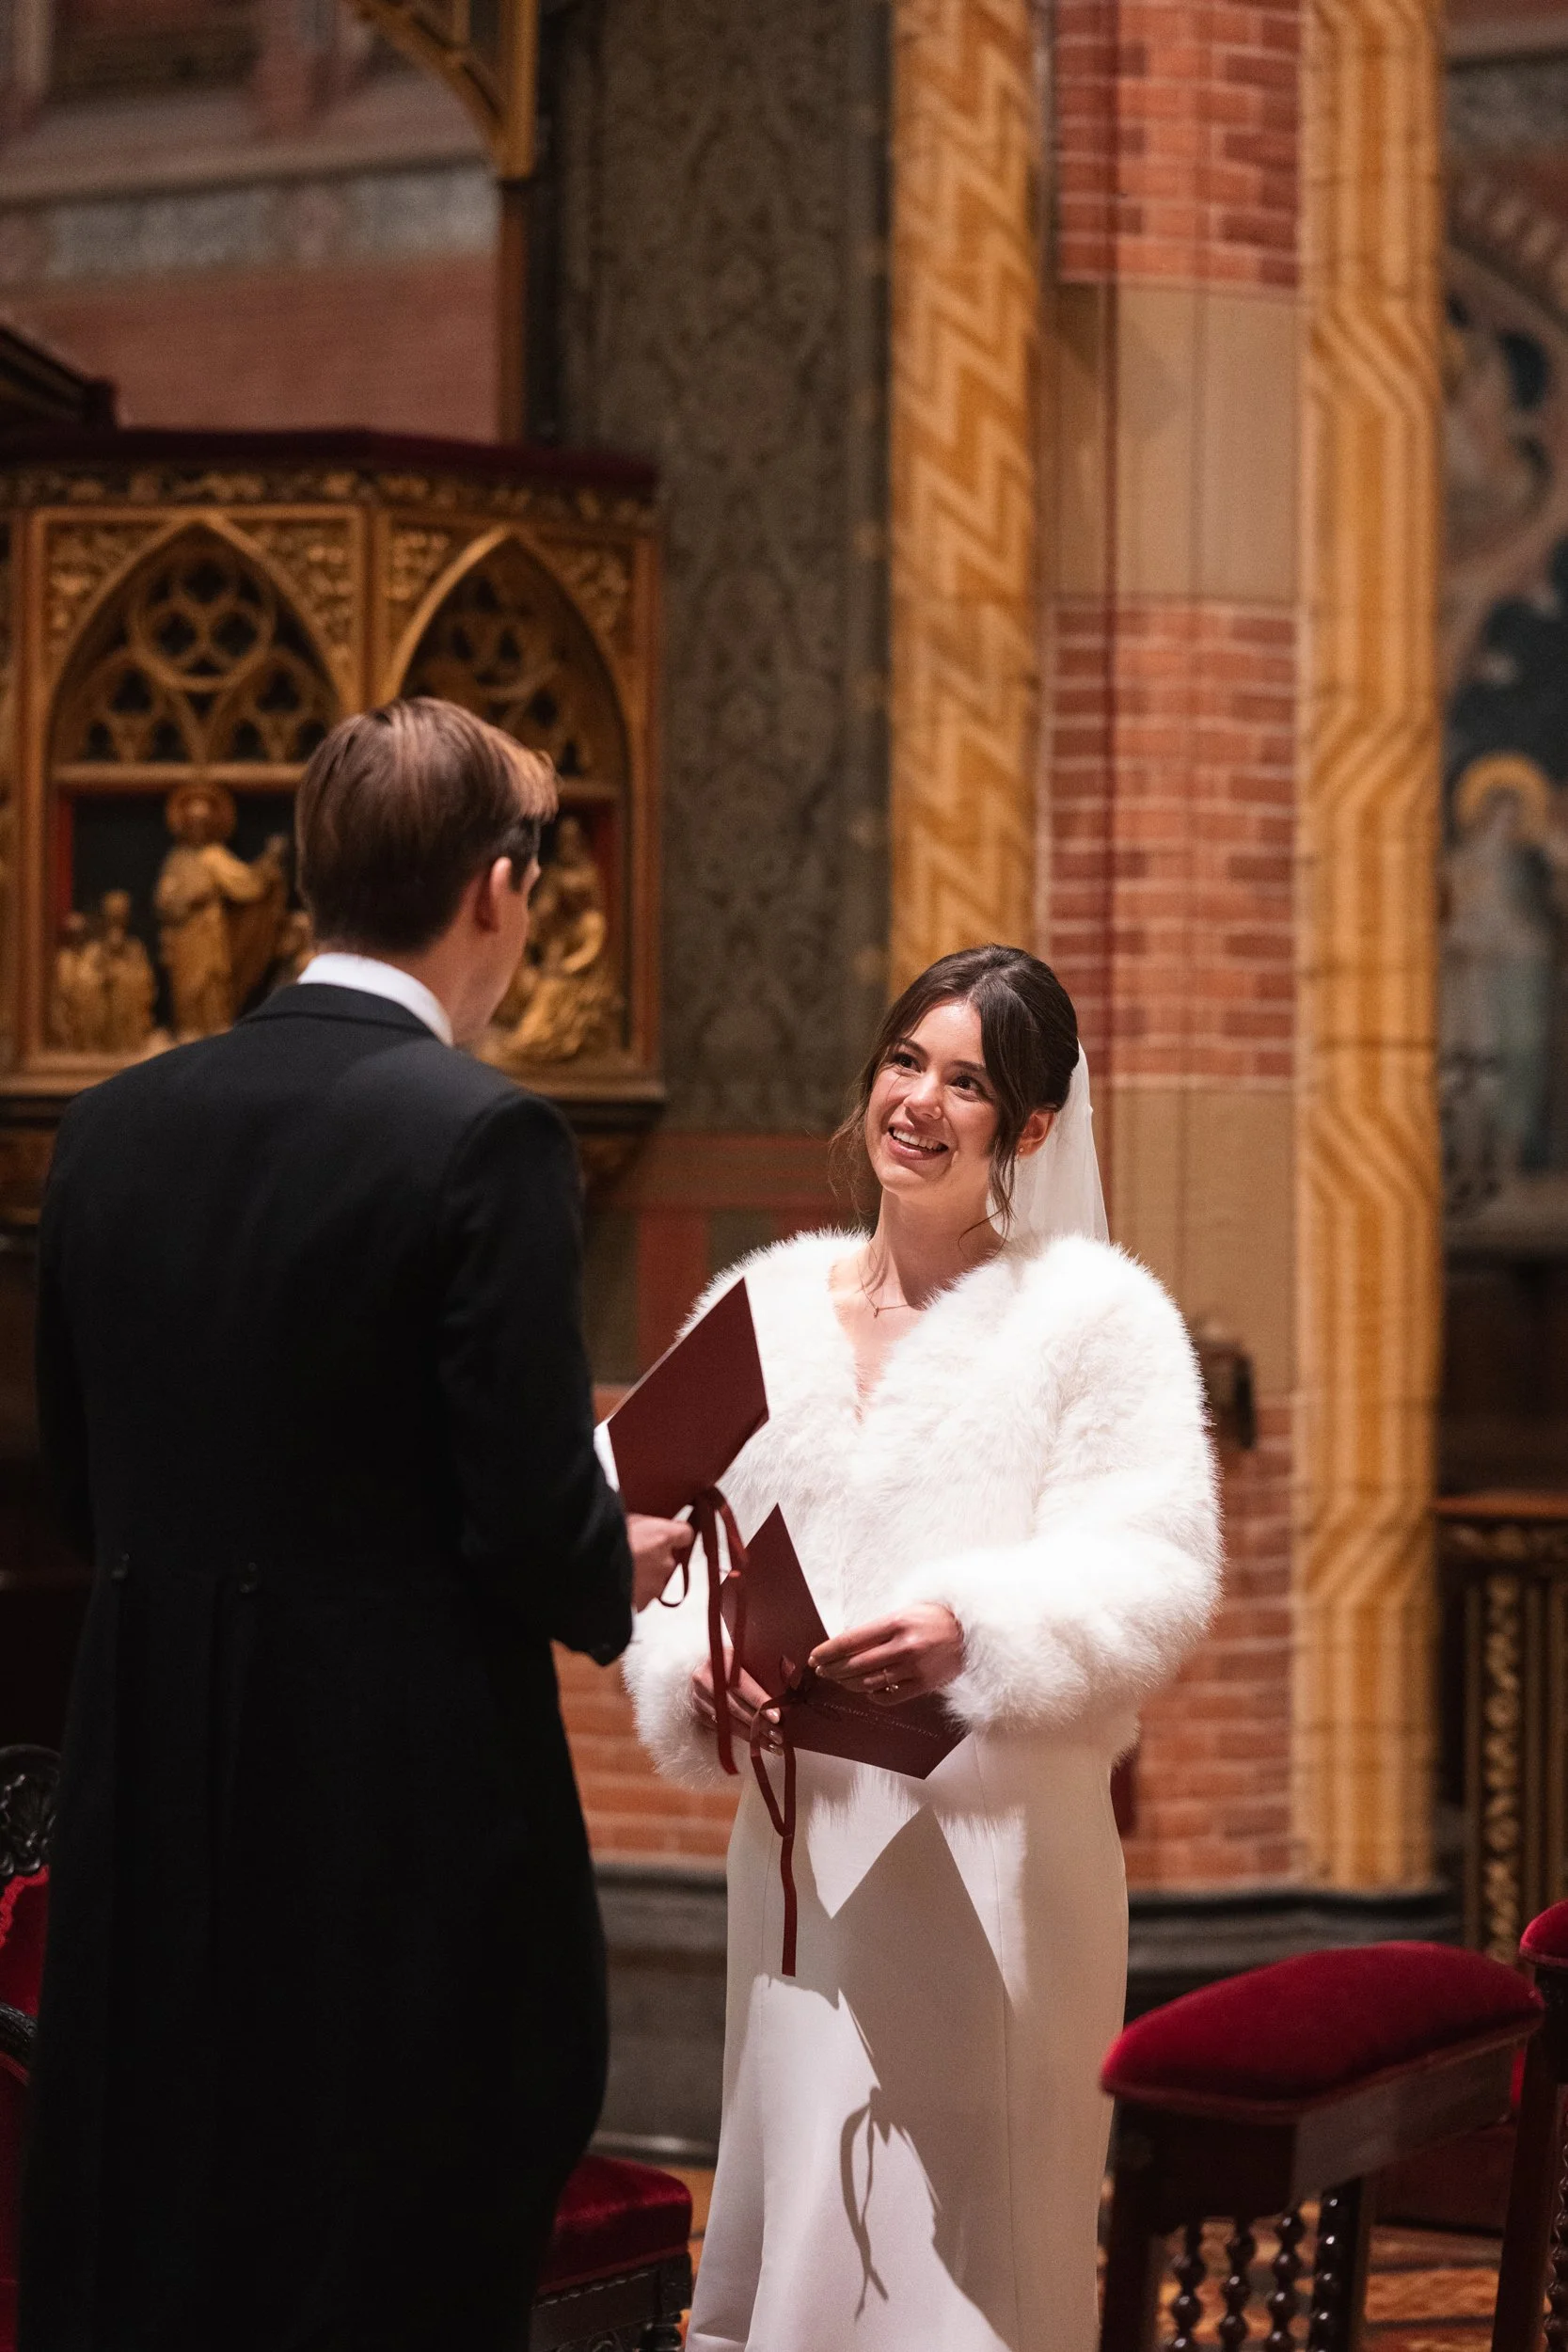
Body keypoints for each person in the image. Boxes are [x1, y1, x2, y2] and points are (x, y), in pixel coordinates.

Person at [24, 698, 692, 2352]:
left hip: (147, 1808)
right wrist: (619, 1549)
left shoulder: (107, 1128)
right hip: (391, 1841)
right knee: (387, 2273)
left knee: (171, 2262)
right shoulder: (481, 1137)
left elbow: (81, 1487)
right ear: (496, 890)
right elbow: (539, 1532)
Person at [625, 945, 1220, 2352]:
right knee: (806, 2231)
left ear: (1025, 1127)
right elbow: (648, 1540)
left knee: (969, 2252)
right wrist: (693, 1669)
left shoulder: (1092, 1320)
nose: (918, 1103)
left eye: (965, 1084)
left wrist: (975, 1628)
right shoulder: (761, 1309)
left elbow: (1155, 1567)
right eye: (904, 1063)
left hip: (993, 1863)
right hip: (799, 1859)